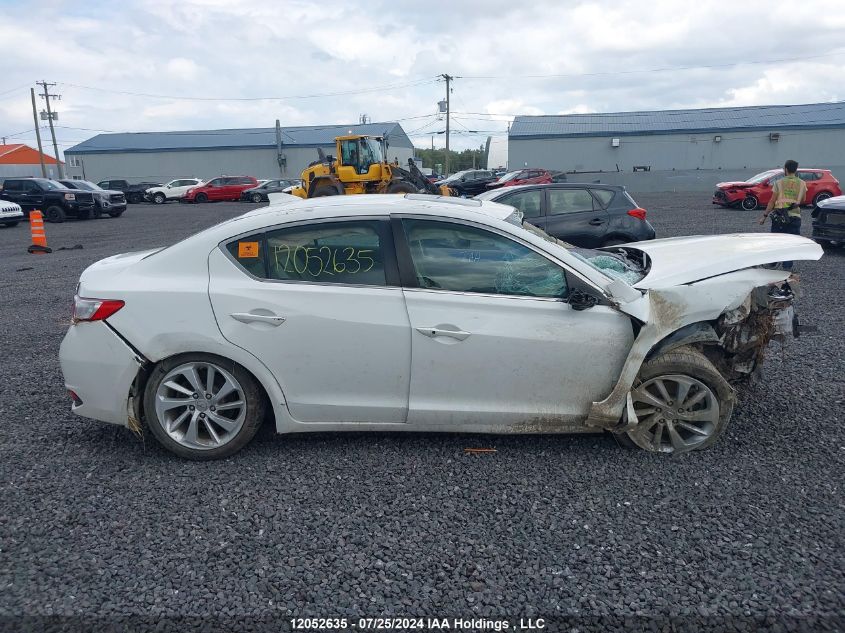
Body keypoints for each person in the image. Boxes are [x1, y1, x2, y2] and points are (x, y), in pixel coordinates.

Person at [758, 159, 806, 270]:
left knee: (776, 241)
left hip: (780, 217)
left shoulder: (779, 183)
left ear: (786, 169)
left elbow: (772, 201)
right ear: (795, 170)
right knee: (791, 243)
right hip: (794, 217)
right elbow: (803, 199)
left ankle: (773, 263)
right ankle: (787, 267)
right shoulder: (802, 183)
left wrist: (764, 216)